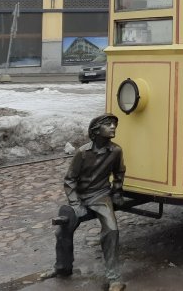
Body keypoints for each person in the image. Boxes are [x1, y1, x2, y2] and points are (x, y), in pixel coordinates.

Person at [42, 113, 126, 290]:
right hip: (80, 196)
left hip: (101, 195)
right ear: (96, 130)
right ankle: (62, 268)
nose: (113, 127)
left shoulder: (116, 151)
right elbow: (70, 179)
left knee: (112, 229)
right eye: (108, 124)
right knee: (62, 230)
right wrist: (75, 203)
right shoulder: (82, 152)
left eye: (114, 124)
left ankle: (114, 277)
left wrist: (117, 192)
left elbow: (119, 173)